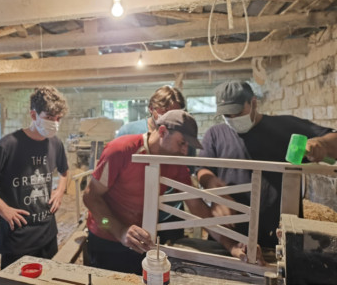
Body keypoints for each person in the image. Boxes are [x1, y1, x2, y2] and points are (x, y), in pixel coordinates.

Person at [83, 110, 259, 275]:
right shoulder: (121, 150)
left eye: (187, 146)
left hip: (138, 240)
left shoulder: (175, 163)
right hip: (105, 232)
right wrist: (120, 231)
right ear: (162, 131)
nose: (185, 151)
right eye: (182, 143)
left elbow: (196, 206)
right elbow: (90, 197)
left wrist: (232, 245)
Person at [197, 80, 337, 248]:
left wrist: (322, 143)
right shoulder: (215, 134)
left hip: (277, 235)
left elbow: (333, 139)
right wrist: (215, 189)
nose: (233, 119)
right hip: (231, 237)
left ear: (253, 103)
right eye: (227, 115)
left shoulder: (284, 127)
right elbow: (202, 170)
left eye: (238, 112)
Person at [0, 86, 69, 269]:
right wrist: (2, 207)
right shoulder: (9, 145)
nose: (54, 123)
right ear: (33, 115)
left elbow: (65, 172)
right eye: (49, 118)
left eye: (58, 118)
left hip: (48, 233)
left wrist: (59, 190)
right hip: (18, 238)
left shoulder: (55, 143)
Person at [115, 85, 195, 243]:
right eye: (166, 113)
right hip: (133, 214)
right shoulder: (129, 133)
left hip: (171, 212)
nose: (172, 119)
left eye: (177, 114)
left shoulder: (184, 138)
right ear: (151, 109)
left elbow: (186, 179)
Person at [116, 85, 185, 137]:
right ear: (151, 108)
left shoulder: (183, 137)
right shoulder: (128, 131)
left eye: (176, 114)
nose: (170, 118)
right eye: (165, 112)